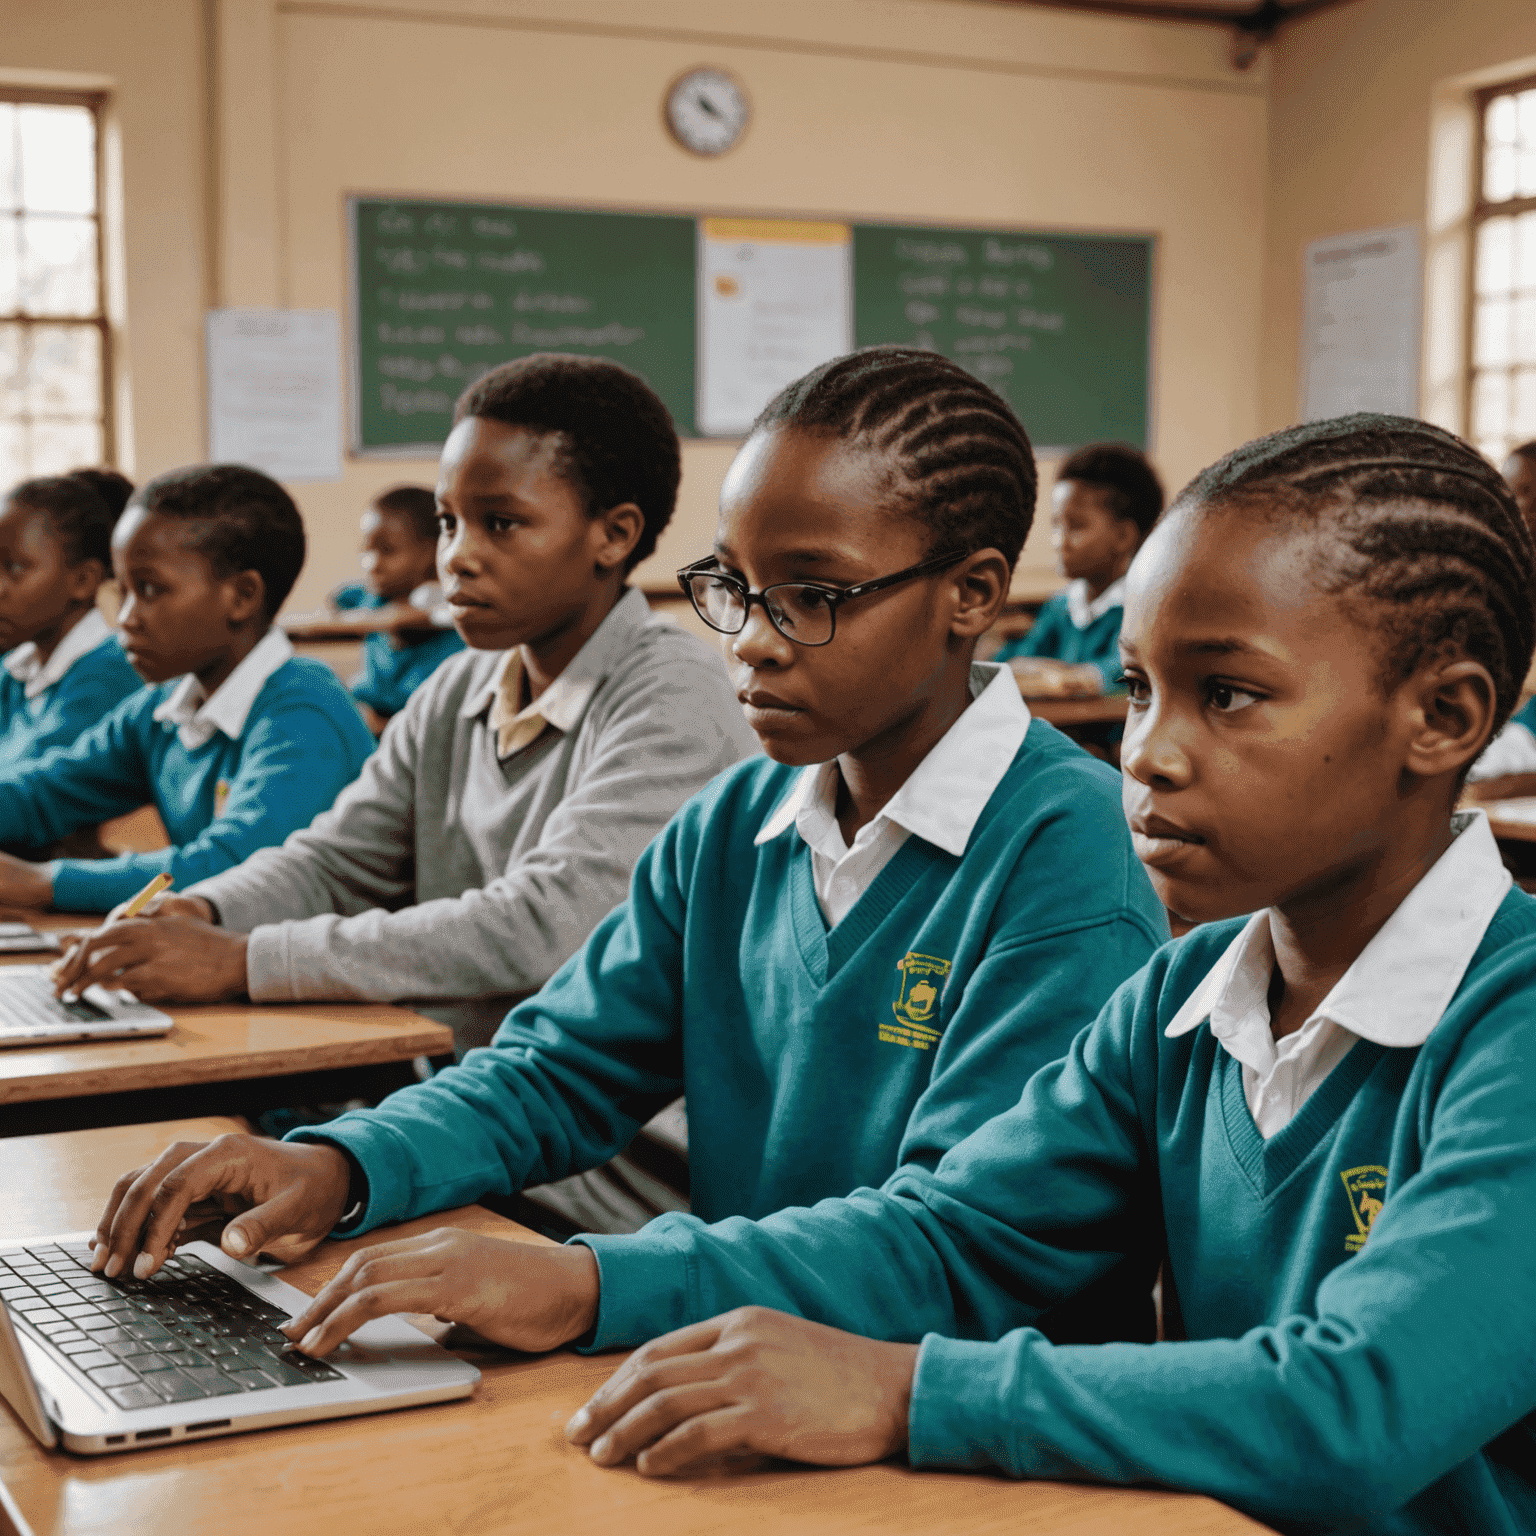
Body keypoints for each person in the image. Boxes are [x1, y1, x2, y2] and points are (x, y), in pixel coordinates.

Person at [87, 347, 1167, 1328]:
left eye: (809, 597)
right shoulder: (737, 825)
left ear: (972, 594)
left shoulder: (1068, 856)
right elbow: (556, 1070)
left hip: (958, 1437)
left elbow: (961, 1241)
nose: (751, 641)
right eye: (732, 588)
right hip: (743, 1365)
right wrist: (339, 1166)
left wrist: (596, 1280)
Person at [54, 353, 759, 1087]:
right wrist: (200, 911)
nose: (456, 559)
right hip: (452, 1098)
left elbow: (544, 923)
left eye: (502, 524)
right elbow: (332, 861)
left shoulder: (675, 696)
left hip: (591, 1152)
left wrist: (242, 959)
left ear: (612, 535)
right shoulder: (458, 688)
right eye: (449, 523)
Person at [0, 464, 376, 913]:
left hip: (321, 973)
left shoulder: (304, 715)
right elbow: (43, 793)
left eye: (151, 590)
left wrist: (41, 883)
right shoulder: (162, 708)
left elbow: (233, 867)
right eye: (123, 592)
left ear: (242, 596)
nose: (126, 619)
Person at [0, 470, 141, 776]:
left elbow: (32, 789)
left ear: (83, 580)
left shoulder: (111, 677)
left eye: (14, 568)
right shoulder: (16, 669)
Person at [996, 443, 1162, 698]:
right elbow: (1010, 664)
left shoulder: (1143, 611)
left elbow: (1119, 673)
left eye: (1076, 526)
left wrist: (1074, 677)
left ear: (1123, 536)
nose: (1059, 541)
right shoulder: (1061, 606)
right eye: (1056, 524)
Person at [325, 485, 464, 733]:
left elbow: (443, 727)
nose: (372, 564)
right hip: (373, 709)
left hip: (423, 731)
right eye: (366, 550)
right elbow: (339, 598)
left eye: (387, 551)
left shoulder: (450, 613)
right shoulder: (372, 599)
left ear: (432, 551)